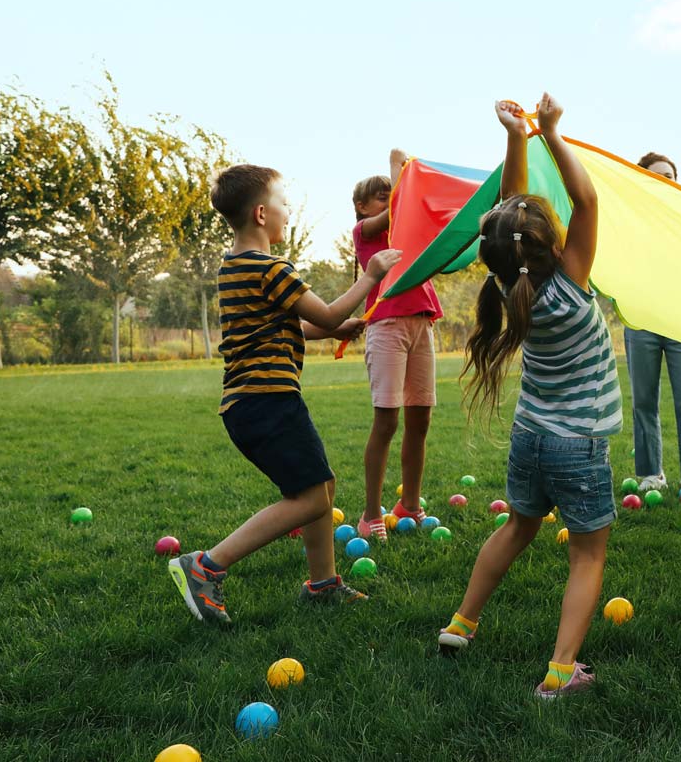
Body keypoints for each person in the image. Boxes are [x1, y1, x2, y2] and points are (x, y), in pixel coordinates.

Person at [437, 95, 619, 700]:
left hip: (529, 438)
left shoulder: (508, 288)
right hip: (578, 445)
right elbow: (587, 200)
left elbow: (506, 216)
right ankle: (561, 674)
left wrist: (519, 138)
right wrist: (552, 133)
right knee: (587, 557)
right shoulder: (570, 285)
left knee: (517, 527)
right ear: (548, 245)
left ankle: (461, 625)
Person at [168, 164, 400, 624]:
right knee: (313, 498)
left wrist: (336, 326)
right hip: (268, 399)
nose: (287, 213)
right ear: (260, 213)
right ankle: (206, 565)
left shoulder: (235, 268)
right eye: (283, 204)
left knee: (321, 486)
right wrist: (371, 274)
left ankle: (322, 584)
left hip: (252, 403)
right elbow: (330, 314)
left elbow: (295, 325)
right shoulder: (270, 268)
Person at [350, 150, 443, 540]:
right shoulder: (365, 233)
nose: (390, 198)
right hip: (386, 326)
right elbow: (397, 212)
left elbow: (431, 223)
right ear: (360, 207)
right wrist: (399, 171)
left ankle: (410, 504)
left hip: (421, 323)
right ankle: (371, 513)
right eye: (380, 195)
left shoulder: (407, 227)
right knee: (387, 421)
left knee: (420, 420)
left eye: (392, 192)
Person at [625, 151, 681, 497]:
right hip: (642, 319)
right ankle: (650, 473)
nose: (666, 180)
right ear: (643, 178)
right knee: (643, 400)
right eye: (658, 175)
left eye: (671, 176)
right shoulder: (630, 221)